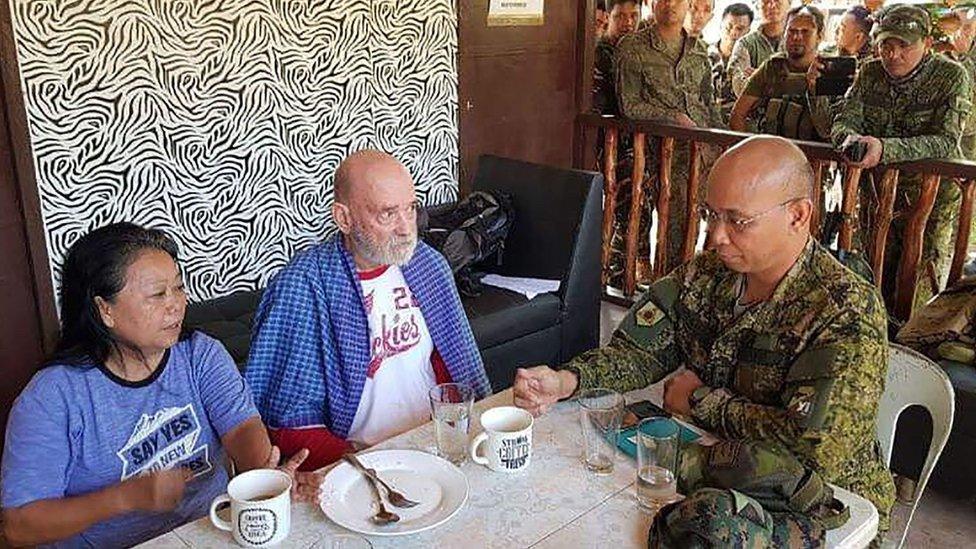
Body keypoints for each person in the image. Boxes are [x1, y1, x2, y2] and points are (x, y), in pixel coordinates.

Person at [513, 135, 896, 539]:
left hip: (820, 509)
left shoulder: (844, 311)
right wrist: (567, 381)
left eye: (738, 220)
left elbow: (813, 451)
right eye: (711, 215)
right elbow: (639, 351)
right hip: (716, 473)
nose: (717, 236)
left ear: (798, 216)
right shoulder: (710, 273)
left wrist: (701, 402)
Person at [1, 223, 321, 547]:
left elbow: (241, 427)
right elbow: (18, 526)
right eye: (157, 294)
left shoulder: (199, 354)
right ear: (104, 309)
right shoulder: (52, 397)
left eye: (179, 288)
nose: (176, 305)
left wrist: (265, 476)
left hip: (210, 530)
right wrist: (123, 498)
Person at [245, 150, 492, 470]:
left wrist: (454, 435)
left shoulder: (429, 265)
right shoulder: (302, 286)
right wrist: (362, 465)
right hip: (356, 461)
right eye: (388, 214)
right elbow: (288, 420)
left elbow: (451, 366)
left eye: (411, 209)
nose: (407, 229)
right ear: (344, 218)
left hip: (433, 443)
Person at [831, 5, 972, 311]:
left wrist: (885, 149)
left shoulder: (951, 76)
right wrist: (848, 139)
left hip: (930, 206)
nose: (892, 54)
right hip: (877, 199)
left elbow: (946, 140)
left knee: (919, 287)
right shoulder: (869, 72)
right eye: (886, 45)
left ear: (928, 44)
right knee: (872, 281)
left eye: (904, 45)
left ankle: (914, 349)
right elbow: (845, 119)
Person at [615, 0, 723, 273]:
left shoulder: (699, 52)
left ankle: (688, 284)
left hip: (699, 155)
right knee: (662, 227)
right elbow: (629, 106)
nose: (670, 4)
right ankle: (665, 292)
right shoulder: (632, 47)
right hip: (657, 156)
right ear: (652, 4)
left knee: (694, 226)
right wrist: (672, 117)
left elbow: (709, 105)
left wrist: (721, 145)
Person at [730, 5, 828, 141]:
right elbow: (738, 114)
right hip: (772, 153)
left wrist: (815, 89)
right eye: (791, 31)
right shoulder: (773, 66)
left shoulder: (827, 69)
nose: (797, 37)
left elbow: (829, 129)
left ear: (819, 36)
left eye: (805, 31)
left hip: (810, 156)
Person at [728, 0, 791, 98]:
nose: (772, 5)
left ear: (789, 4)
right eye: (766, 1)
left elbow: (807, 85)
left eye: (777, 0)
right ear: (757, 5)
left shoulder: (799, 41)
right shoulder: (745, 44)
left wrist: (759, 77)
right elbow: (741, 89)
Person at [594, 0, 641, 115]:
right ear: (608, 17)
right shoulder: (599, 52)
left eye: (634, 15)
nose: (628, 22)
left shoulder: (642, 50)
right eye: (620, 16)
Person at [709, 3, 755, 118]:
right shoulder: (702, 55)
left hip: (739, 126)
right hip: (705, 125)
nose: (734, 33)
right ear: (720, 26)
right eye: (729, 26)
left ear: (748, 31)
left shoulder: (754, 60)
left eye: (740, 29)